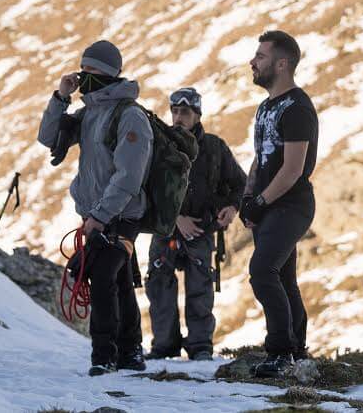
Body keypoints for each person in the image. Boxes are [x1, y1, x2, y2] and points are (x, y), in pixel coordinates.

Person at [37, 40, 153, 376]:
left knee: (102, 278)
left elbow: (129, 175)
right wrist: (61, 98)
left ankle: (103, 355)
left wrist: (101, 217)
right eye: (82, 70)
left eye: (91, 71)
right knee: (116, 281)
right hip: (94, 215)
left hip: (122, 214)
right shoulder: (90, 113)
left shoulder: (129, 116)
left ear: (108, 74)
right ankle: (131, 352)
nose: (84, 76)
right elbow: (48, 137)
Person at [145, 87, 246, 362]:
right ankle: (164, 346)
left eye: (185, 112)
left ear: (197, 115)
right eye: (175, 111)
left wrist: (232, 207)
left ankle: (201, 346)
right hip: (165, 229)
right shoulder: (157, 144)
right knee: (160, 287)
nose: (178, 117)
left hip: (201, 230)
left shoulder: (214, 147)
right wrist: (176, 218)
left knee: (200, 289)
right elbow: (144, 188)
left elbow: (239, 183)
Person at [240, 30, 318, 377]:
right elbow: (261, 159)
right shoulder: (266, 106)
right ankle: (297, 351)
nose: (252, 62)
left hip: (292, 205)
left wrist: (260, 201)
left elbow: (292, 169)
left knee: (262, 271)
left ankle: (280, 351)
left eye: (260, 56)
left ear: (282, 64)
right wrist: (247, 198)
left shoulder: (298, 107)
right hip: (268, 205)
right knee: (284, 278)